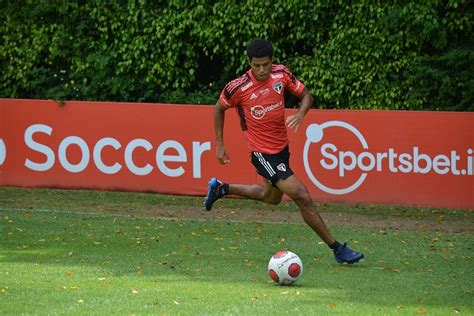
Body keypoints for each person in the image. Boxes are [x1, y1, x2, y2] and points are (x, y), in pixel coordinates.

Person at [205, 39, 364, 264]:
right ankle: (338, 249)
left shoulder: (282, 74)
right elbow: (219, 108)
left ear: (272, 61)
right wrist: (219, 144)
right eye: (256, 65)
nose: (261, 70)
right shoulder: (238, 87)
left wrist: (301, 113)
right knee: (302, 196)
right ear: (249, 62)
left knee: (270, 197)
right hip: (262, 153)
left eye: (266, 65)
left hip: (282, 150)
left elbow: (307, 96)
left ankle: (221, 189)